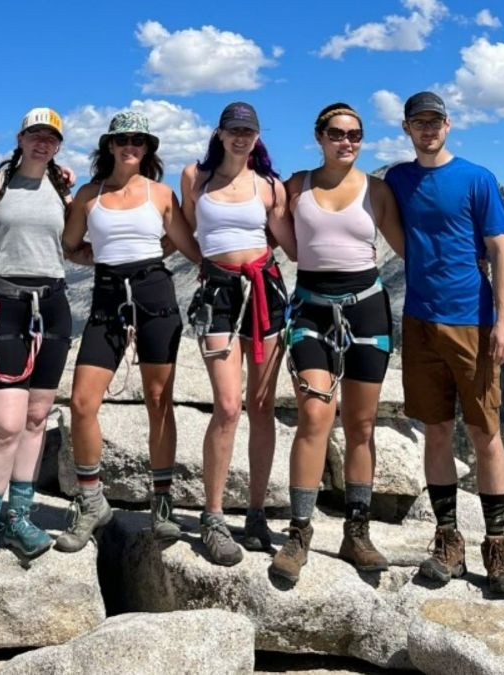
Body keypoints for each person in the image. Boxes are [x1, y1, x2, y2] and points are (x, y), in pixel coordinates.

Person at [384, 91, 504, 595]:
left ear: (449, 124)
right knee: (436, 432)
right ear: (406, 128)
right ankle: (447, 538)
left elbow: (500, 247)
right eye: (418, 122)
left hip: (473, 321)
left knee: (487, 433)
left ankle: (497, 545)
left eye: (435, 121)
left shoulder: (476, 178)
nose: (428, 129)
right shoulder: (397, 179)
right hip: (419, 320)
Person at [269, 103, 405, 583]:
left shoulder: (378, 190)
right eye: (336, 132)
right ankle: (300, 532)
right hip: (310, 308)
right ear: (319, 135)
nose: (346, 141)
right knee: (314, 416)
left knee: (361, 423)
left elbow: (407, 247)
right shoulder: (295, 186)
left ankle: (356, 531)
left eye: (355, 134)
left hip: (366, 307)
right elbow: (275, 232)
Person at [58, 111, 202, 552]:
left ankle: (161, 503)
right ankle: (92, 499)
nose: (130, 146)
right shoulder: (88, 195)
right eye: (122, 140)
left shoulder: (160, 194)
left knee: (159, 400)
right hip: (107, 298)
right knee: (82, 402)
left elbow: (186, 243)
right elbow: (69, 245)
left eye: (138, 140)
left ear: (148, 149)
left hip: (155, 295)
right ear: (109, 146)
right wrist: (103, 260)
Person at [0, 108, 81, 575]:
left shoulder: (63, 188)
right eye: (35, 135)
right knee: (3, 424)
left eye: (51, 137)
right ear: (20, 138)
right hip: (3, 305)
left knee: (35, 417)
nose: (42, 143)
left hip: (53, 305)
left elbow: (73, 244)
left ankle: (18, 519)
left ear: (59, 144)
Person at [180, 102, 293, 566]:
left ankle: (256, 513)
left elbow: (289, 240)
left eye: (248, 130)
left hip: (265, 287)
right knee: (228, 405)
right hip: (219, 294)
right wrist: (205, 266)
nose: (241, 137)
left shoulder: (269, 186)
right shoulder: (195, 179)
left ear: (257, 135)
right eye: (234, 130)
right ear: (221, 134)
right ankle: (212, 516)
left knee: (262, 406)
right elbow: (183, 227)